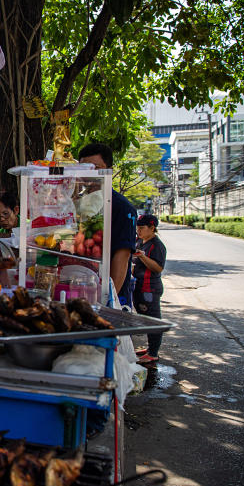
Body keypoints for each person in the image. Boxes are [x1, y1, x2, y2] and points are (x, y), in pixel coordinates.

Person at [78, 143, 137, 307]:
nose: (90, 175)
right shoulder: (78, 204)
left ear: (109, 171)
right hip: (82, 287)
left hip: (109, 297)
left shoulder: (122, 208)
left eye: (96, 168)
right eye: (84, 169)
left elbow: (122, 258)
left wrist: (108, 302)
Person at [132, 214, 167, 364]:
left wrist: (142, 257)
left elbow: (158, 268)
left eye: (141, 228)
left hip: (150, 288)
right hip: (138, 285)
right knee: (145, 317)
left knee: (153, 319)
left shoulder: (157, 246)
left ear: (152, 228)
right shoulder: (140, 241)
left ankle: (153, 353)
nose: (138, 231)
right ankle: (150, 348)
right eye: (137, 228)